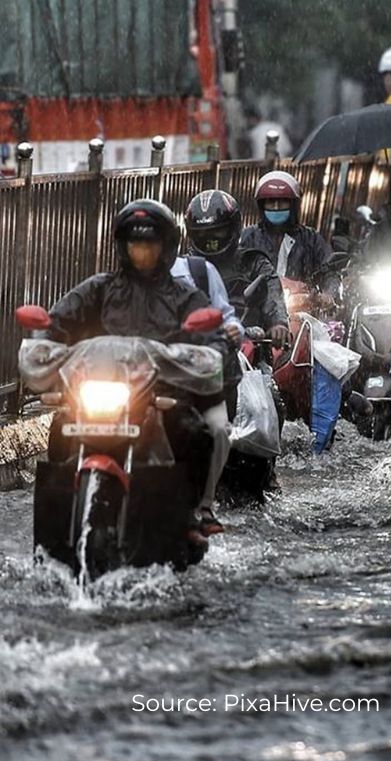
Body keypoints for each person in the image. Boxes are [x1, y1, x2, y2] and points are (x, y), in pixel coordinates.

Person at [48, 199, 231, 542]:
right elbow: (60, 319)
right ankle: (59, 511)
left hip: (162, 396)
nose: (142, 251)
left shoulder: (184, 296)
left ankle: (191, 513)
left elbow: (212, 337)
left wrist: (210, 354)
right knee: (61, 425)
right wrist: (44, 342)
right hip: (104, 390)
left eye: (149, 244)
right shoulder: (100, 288)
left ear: (165, 247)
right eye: (135, 243)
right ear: (122, 246)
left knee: (194, 431)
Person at [184, 189, 289, 345]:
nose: (210, 239)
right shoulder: (184, 267)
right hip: (195, 347)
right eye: (202, 233)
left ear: (234, 227)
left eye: (218, 231)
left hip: (249, 347)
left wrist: (278, 323)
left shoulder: (253, 261)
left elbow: (272, 288)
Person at [241, 170, 339, 298]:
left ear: (294, 205)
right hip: (258, 309)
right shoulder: (248, 237)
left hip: (303, 310)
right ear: (262, 206)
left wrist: (328, 295)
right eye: (270, 202)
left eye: (282, 202)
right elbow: (236, 273)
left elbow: (329, 270)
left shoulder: (311, 239)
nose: (276, 207)